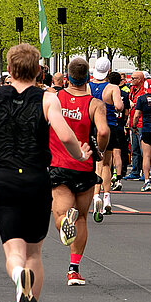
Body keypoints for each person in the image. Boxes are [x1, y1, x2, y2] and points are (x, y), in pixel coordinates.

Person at [0, 42, 87, 302]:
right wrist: (81, 155)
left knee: (14, 251)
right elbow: (64, 135)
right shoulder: (48, 99)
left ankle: (18, 274)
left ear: (9, 69)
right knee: (35, 251)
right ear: (38, 70)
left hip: (4, 177)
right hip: (36, 178)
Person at [48, 57, 107, 286]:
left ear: (67, 76)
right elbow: (102, 132)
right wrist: (99, 151)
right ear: (88, 78)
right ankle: (74, 270)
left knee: (60, 213)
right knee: (82, 217)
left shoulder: (55, 98)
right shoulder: (95, 104)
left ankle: (64, 221)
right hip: (84, 165)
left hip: (59, 163)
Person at [88, 67, 123, 215]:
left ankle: (96, 196)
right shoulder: (113, 88)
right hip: (110, 126)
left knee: (97, 163)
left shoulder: (88, 86)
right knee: (107, 164)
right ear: (108, 72)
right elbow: (119, 106)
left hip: (94, 126)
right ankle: (107, 197)